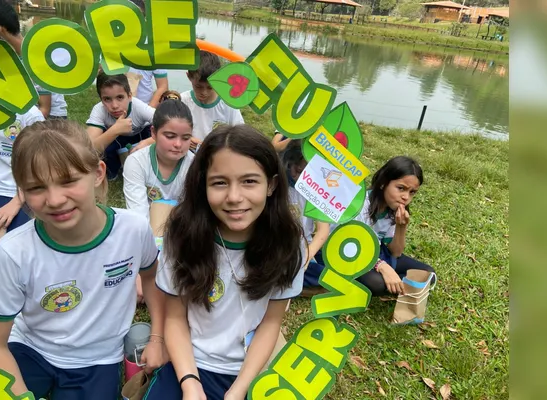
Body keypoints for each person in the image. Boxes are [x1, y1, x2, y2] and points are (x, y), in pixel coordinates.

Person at [0, 120, 167, 399]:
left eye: (68, 181)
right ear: (21, 191)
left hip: (98, 359)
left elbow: (152, 282)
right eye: (36, 187)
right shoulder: (13, 252)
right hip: (30, 349)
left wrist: (158, 338)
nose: (54, 199)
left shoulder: (134, 230)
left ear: (99, 173)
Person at [145, 125, 306, 400]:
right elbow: (175, 316)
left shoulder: (289, 244)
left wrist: (239, 390)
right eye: (219, 182)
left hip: (248, 369)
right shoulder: (182, 236)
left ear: (272, 185)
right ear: (203, 185)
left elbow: (270, 323)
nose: (234, 197)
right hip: (188, 360)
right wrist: (190, 383)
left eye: (249, 181)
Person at [304, 156, 436, 297]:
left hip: (375, 252)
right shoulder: (360, 205)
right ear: (383, 183)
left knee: (428, 274)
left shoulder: (393, 211)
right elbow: (351, 247)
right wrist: (382, 267)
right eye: (400, 188)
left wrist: (401, 227)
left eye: (412, 192)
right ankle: (342, 283)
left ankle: (393, 284)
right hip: (345, 254)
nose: (406, 197)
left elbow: (396, 252)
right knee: (378, 284)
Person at [0, 35, 44, 233]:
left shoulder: (29, 114)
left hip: (27, 192)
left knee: (21, 241)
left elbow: (40, 165)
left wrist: (16, 203)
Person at [0, 0, 67, 119]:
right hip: (27, 115)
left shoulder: (33, 59)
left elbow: (44, 110)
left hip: (51, 121)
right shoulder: (12, 56)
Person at [122, 99, 194, 220]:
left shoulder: (194, 165)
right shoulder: (136, 162)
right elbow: (138, 216)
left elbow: (195, 212)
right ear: (153, 133)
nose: (178, 144)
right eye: (170, 136)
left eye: (186, 138)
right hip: (147, 229)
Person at [279, 139, 331, 292]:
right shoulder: (276, 185)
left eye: (305, 172)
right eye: (294, 168)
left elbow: (323, 230)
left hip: (303, 247)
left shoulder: (316, 189)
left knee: (331, 276)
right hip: (279, 248)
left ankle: (296, 282)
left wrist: (308, 255)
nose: (297, 174)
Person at [86, 72, 155, 179]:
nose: (114, 105)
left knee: (158, 137)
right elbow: (88, 150)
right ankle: (114, 169)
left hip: (141, 135)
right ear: (101, 99)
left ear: (130, 96)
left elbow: (168, 126)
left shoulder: (139, 107)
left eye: (120, 97)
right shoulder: (99, 110)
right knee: (104, 159)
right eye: (107, 99)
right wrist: (115, 130)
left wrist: (147, 142)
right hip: (117, 140)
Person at [180, 51, 244, 150]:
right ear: (188, 77)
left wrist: (202, 146)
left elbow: (239, 136)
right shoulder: (183, 101)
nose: (204, 92)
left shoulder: (228, 104)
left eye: (210, 87)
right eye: (198, 86)